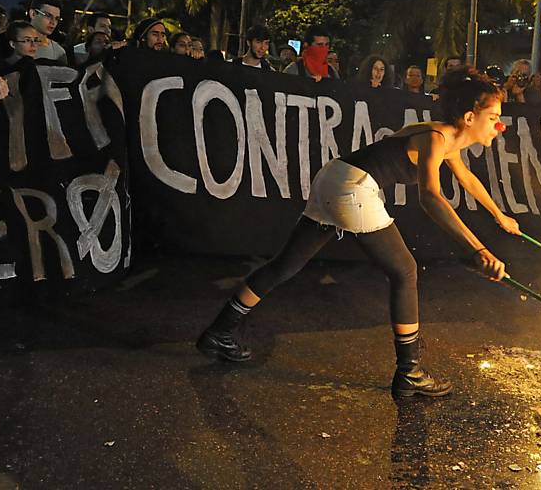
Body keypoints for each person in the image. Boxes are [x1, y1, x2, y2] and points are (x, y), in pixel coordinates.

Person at [196, 68, 519, 398]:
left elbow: (467, 179)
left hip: (334, 178)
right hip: (352, 188)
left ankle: (219, 331)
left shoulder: (447, 140)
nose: (499, 125)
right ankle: (409, 371)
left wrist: (499, 215)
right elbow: (430, 197)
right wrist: (478, 250)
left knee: (284, 266)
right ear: (469, 117)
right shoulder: (436, 138)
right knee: (405, 271)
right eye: (493, 117)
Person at [26, 0, 67, 64]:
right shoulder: (13, 46)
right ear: (33, 14)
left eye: (57, 18)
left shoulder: (59, 52)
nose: (53, 22)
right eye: (48, 16)